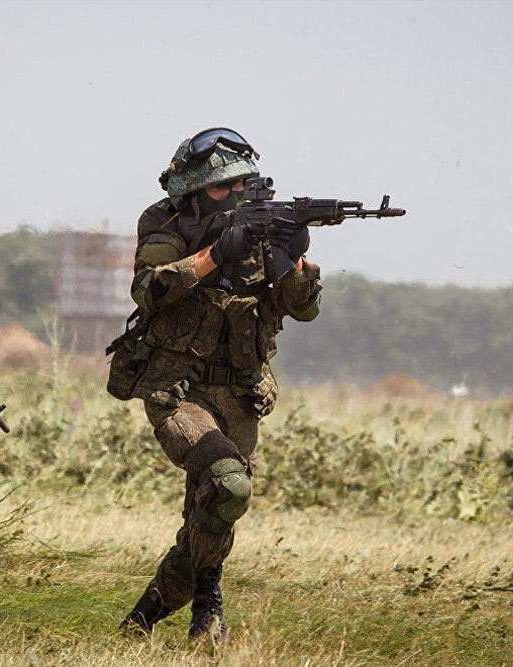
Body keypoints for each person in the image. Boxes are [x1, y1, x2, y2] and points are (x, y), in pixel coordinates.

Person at [111, 128, 322, 640]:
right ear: (193, 191)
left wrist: (292, 260)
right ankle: (209, 609)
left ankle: (145, 616)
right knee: (226, 481)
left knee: (217, 507)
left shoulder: (266, 233)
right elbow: (150, 291)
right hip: (179, 389)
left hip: (242, 392)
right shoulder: (163, 222)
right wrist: (216, 252)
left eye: (241, 184)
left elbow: (305, 309)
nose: (233, 193)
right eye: (220, 187)